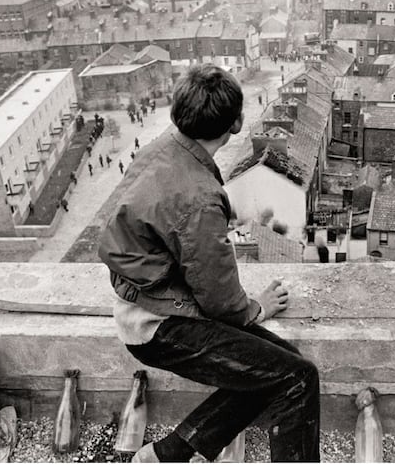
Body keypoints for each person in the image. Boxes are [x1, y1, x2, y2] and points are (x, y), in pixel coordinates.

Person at [98, 64, 320, 463]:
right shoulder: (200, 196)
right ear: (236, 124)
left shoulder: (157, 151)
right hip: (161, 326)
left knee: (277, 369)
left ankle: (168, 455)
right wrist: (258, 308)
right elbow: (220, 300)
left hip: (144, 304)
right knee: (297, 378)